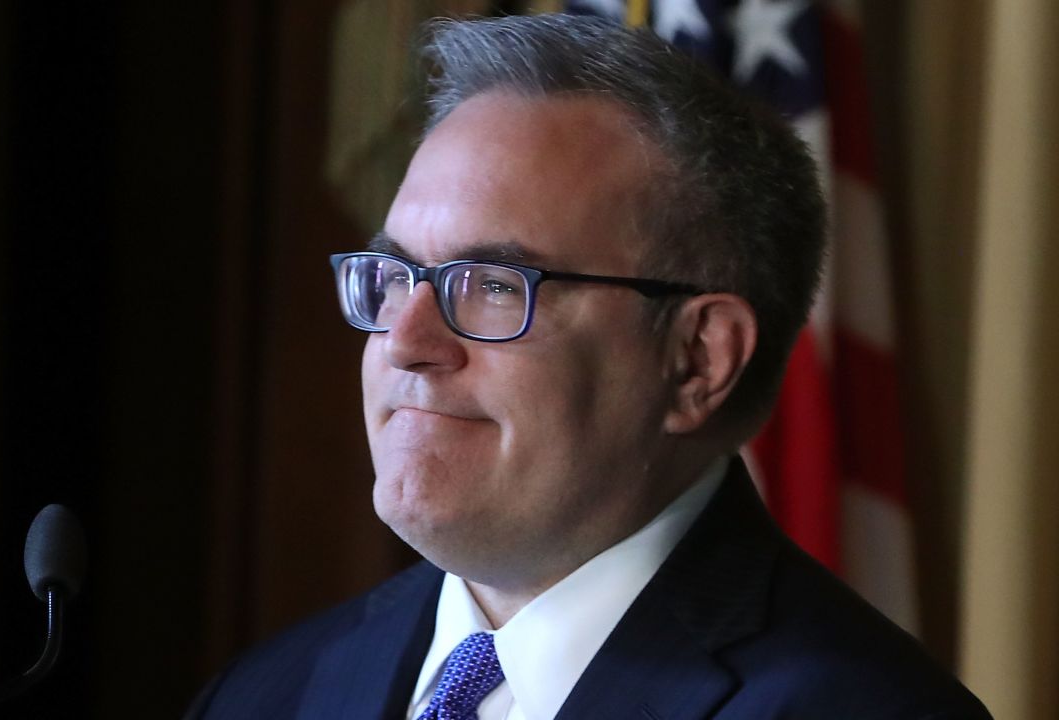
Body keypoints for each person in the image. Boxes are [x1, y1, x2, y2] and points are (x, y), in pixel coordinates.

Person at [186, 14, 990, 720]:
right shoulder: (268, 693)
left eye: (494, 286)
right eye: (394, 277)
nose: (405, 340)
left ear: (696, 359)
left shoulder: (862, 709)